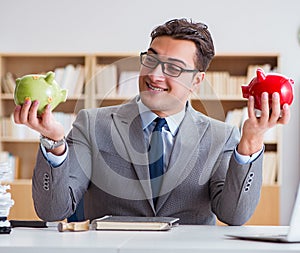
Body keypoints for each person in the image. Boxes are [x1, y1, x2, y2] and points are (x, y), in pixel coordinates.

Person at [14, 18, 290, 225]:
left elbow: (235, 216)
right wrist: (54, 145)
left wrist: (252, 140)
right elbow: (53, 211)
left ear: (196, 80)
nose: (155, 74)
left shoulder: (222, 136)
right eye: (151, 60)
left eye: (173, 67)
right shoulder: (92, 124)